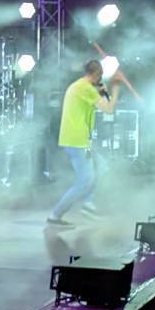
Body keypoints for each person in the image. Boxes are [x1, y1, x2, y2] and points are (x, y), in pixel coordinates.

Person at [48, 57, 124, 226]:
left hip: (76, 139)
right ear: (96, 74)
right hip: (77, 140)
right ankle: (56, 214)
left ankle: (88, 204)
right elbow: (109, 109)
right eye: (101, 75)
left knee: (101, 166)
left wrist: (100, 90)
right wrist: (116, 88)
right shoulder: (86, 89)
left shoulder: (79, 86)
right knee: (84, 182)